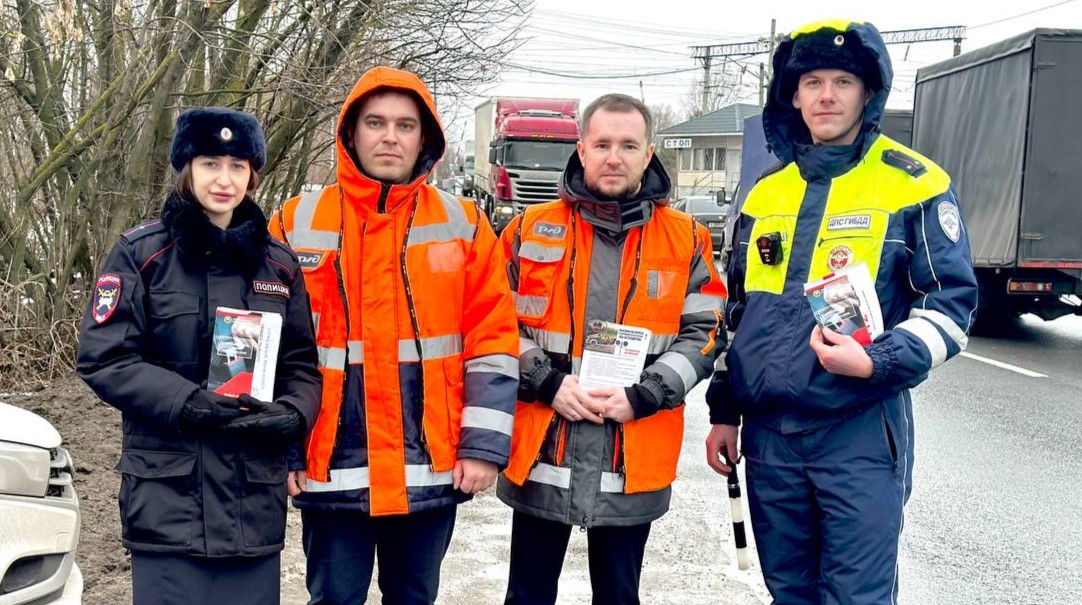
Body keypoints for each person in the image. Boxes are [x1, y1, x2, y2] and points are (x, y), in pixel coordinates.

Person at [704, 20, 978, 604]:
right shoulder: (764, 193)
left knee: (858, 596)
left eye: (844, 81)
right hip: (769, 440)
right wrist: (723, 411)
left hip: (857, 430)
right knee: (789, 593)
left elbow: (951, 305)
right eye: (812, 82)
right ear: (793, 95)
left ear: (867, 92)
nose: (826, 95)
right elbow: (738, 314)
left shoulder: (914, 184)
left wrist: (876, 362)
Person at [269, 66, 519, 604]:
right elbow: (273, 350)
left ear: (424, 138)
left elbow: (493, 343)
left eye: (405, 125)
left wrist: (482, 447)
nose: (390, 136)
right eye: (376, 122)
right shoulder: (294, 222)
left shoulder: (466, 223)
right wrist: (283, 450)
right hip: (329, 465)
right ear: (351, 133)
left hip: (430, 464)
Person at [76, 107, 322, 605]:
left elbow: (301, 363)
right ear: (187, 167)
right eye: (211, 163)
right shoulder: (141, 254)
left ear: (253, 173)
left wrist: (293, 414)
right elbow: (104, 357)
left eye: (237, 166)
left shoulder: (278, 263)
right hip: (168, 500)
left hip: (251, 501)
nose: (224, 179)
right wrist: (185, 402)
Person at [498, 93, 727, 605]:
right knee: (527, 596)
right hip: (543, 453)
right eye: (601, 144)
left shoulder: (686, 238)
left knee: (620, 596)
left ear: (649, 154)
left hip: (631, 454)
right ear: (581, 149)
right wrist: (545, 381)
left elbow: (707, 331)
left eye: (628, 145)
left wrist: (645, 394)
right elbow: (491, 323)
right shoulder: (527, 231)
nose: (613, 156)